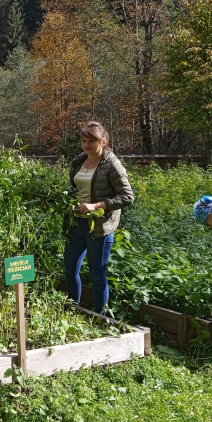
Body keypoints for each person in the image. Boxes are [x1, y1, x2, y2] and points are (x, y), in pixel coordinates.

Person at [64, 122, 135, 313]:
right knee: (70, 270)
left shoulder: (112, 164)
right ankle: (73, 311)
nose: (86, 145)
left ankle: (100, 318)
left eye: (91, 141)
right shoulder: (79, 161)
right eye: (84, 141)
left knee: (97, 274)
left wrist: (96, 205)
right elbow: (74, 189)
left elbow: (128, 197)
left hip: (99, 226)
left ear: (103, 141)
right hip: (77, 223)